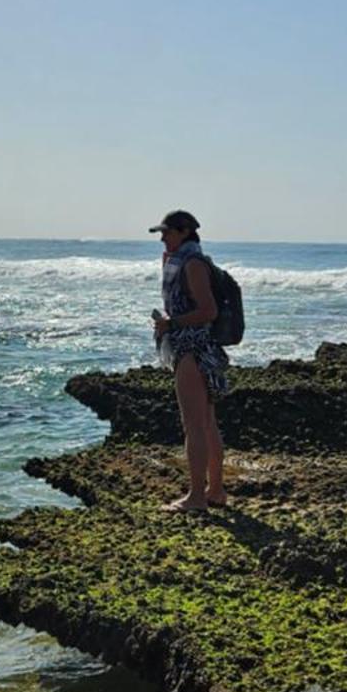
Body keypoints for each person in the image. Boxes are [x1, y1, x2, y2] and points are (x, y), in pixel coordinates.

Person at [149, 209, 228, 512]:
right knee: (207, 423)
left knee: (194, 425)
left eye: (167, 233)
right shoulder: (184, 259)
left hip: (193, 348)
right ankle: (216, 491)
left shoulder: (193, 264)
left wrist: (172, 324)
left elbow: (209, 311)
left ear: (184, 232)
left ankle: (196, 497)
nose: (163, 239)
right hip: (198, 346)